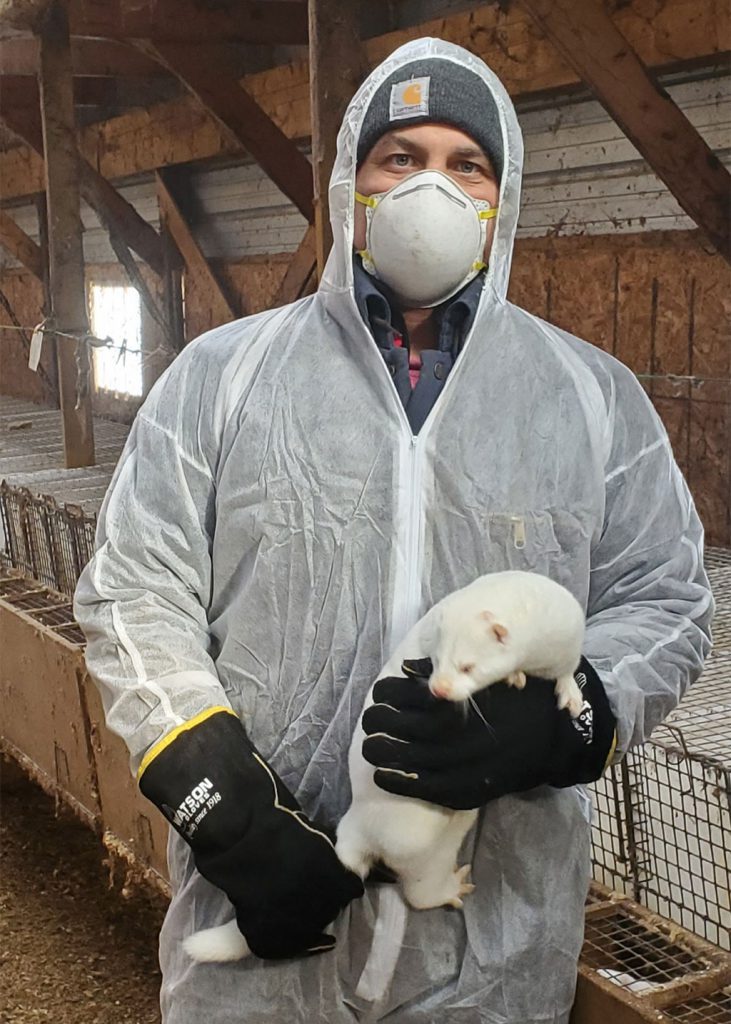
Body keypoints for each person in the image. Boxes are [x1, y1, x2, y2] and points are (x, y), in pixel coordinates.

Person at [74, 36, 714, 1024]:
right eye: (399, 158)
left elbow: (664, 596)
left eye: (467, 165)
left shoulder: (589, 399)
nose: (434, 189)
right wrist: (221, 801)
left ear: (502, 201)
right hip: (265, 932)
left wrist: (564, 718)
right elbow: (135, 586)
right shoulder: (223, 378)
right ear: (350, 186)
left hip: (491, 945)